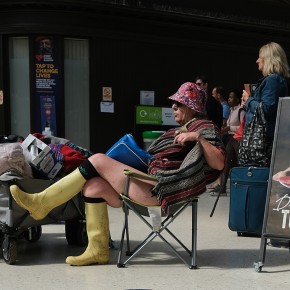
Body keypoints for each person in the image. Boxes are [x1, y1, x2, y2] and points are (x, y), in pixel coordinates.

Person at [10, 82, 226, 266]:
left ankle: (42, 203)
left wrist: (198, 138)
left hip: (161, 189)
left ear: (191, 106)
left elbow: (218, 163)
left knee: (97, 160)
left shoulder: (204, 128)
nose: (173, 106)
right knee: (92, 186)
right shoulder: (181, 129)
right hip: (146, 184)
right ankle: (98, 250)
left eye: (178, 103)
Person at [241, 42, 290, 163]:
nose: (257, 60)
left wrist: (248, 100)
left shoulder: (272, 80)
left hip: (263, 139)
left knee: (257, 172)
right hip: (266, 137)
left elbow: (266, 109)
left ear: (268, 59)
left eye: (260, 57)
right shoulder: (276, 79)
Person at [210, 90, 246, 196]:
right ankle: (223, 188)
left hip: (238, 139)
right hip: (230, 138)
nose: (229, 99)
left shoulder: (241, 111)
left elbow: (242, 127)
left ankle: (242, 187)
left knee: (240, 163)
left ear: (237, 99)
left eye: (231, 97)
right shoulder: (231, 110)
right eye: (229, 97)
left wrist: (229, 127)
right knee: (226, 163)